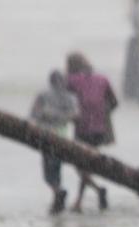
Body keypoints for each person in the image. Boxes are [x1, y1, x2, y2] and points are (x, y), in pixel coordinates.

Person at [65, 51, 117, 212]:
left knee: (80, 164)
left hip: (82, 128)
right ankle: (84, 198)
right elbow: (114, 102)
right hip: (99, 130)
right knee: (86, 163)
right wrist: (102, 113)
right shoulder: (103, 79)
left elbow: (65, 99)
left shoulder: (72, 81)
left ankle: (93, 193)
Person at [30, 70, 79, 215]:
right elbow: (75, 115)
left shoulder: (43, 96)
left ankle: (57, 191)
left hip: (46, 135)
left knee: (47, 171)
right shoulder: (71, 97)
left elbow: (34, 115)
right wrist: (63, 117)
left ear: (50, 81)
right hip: (62, 136)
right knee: (57, 166)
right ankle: (57, 195)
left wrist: (47, 115)